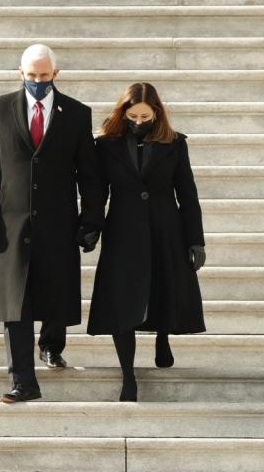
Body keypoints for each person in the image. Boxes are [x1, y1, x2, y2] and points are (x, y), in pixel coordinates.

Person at [0, 44, 104, 403]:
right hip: (10, 227)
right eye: (32, 76)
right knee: (15, 304)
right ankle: (23, 381)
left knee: (54, 292)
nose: (38, 82)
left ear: (55, 75)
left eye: (44, 76)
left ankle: (51, 344)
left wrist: (92, 220)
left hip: (58, 223)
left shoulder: (76, 114)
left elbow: (90, 176)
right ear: (20, 73)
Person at [87, 82, 206, 401]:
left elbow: (188, 193)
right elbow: (98, 193)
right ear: (123, 113)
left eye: (145, 116)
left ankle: (162, 336)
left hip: (166, 226)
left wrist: (195, 240)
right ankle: (128, 375)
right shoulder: (106, 145)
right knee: (121, 300)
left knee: (162, 287)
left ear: (157, 113)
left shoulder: (175, 143)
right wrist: (91, 227)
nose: (139, 122)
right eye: (133, 116)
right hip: (123, 230)